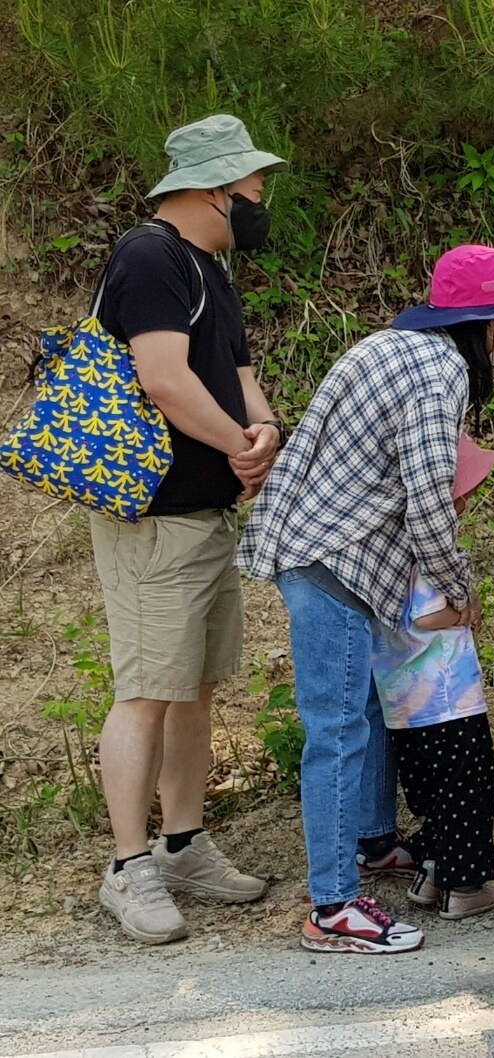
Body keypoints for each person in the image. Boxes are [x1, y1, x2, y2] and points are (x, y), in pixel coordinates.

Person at [237, 244, 494, 953]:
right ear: (487, 325)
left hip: (315, 547)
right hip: (335, 561)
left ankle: (374, 843)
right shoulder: (440, 373)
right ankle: (334, 907)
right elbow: (428, 495)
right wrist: (460, 587)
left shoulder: (385, 346)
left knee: (364, 712)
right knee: (337, 731)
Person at [93, 114, 286, 946]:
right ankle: (127, 867)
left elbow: (236, 372)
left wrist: (264, 428)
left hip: (203, 510)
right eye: (253, 188)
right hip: (153, 517)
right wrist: (238, 444)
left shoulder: (208, 268)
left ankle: (182, 844)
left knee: (194, 687)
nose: (260, 203)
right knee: (144, 691)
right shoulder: (150, 257)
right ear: (213, 189)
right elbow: (163, 379)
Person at [371, 435, 494, 922]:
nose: (467, 502)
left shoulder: (383, 549)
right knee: (466, 790)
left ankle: (431, 874)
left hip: (401, 702)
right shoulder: (430, 550)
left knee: (433, 795)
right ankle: (464, 886)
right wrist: (465, 611)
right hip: (447, 698)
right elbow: (427, 615)